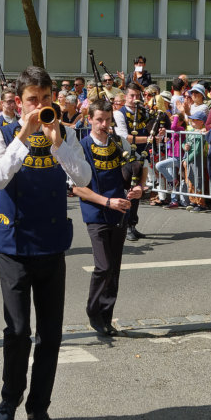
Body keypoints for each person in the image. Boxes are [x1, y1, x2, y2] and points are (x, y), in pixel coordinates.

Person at [0, 66, 92, 420]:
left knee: (50, 333)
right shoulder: (0, 131)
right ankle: (9, 398)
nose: (41, 105)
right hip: (14, 243)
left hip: (50, 242)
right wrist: (24, 136)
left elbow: (83, 178)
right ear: (19, 102)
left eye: (46, 99)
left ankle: (39, 406)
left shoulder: (65, 133)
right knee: (18, 330)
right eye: (33, 100)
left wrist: (57, 143)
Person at [71, 99, 143, 337]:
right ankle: (93, 311)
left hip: (119, 211)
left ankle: (106, 318)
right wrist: (106, 202)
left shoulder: (119, 142)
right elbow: (77, 188)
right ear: (89, 120)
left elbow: (139, 166)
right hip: (96, 212)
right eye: (99, 120)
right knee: (103, 266)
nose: (104, 124)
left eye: (108, 120)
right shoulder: (81, 146)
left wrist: (139, 187)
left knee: (114, 268)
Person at [115, 81, 153, 241]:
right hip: (127, 158)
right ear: (125, 97)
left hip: (142, 156)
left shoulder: (143, 112)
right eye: (132, 95)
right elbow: (124, 137)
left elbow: (151, 129)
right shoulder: (119, 114)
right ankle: (124, 226)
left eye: (137, 95)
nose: (135, 99)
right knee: (128, 191)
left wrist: (157, 131)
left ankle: (132, 225)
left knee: (137, 191)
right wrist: (149, 139)